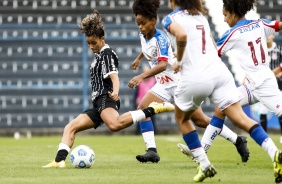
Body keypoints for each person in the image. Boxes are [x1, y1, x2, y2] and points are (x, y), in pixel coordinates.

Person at [162, 0, 282, 182]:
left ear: (233, 14)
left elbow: (212, 52)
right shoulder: (261, 23)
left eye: (225, 15)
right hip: (253, 84)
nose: (224, 20)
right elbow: (278, 25)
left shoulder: (232, 33)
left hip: (265, 86)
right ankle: (202, 148)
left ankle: (203, 157)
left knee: (185, 117)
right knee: (221, 109)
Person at [42, 9, 175, 168]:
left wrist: (116, 91)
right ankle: (58, 161)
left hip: (107, 98)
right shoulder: (99, 54)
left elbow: (114, 76)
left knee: (114, 125)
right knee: (70, 127)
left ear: (102, 38)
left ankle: (153, 110)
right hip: (98, 103)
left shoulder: (107, 53)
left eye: (94, 43)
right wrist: (139, 58)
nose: (91, 46)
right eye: (88, 43)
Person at [129, 0, 249, 165]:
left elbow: (163, 64)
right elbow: (146, 48)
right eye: (138, 24)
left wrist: (142, 76)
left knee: (199, 120)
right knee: (143, 108)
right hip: (163, 84)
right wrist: (138, 58)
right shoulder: (143, 35)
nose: (140, 27)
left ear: (153, 21)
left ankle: (237, 139)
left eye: (143, 23)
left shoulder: (161, 39)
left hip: (177, 81)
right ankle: (152, 150)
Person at [258, 34, 282, 143]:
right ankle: (264, 138)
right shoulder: (260, 51)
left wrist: (276, 73)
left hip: (279, 85)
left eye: (269, 34)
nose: (267, 36)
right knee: (263, 110)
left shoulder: (279, 49)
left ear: (274, 35)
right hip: (264, 86)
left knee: (280, 109)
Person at [133, 65, 157, 135]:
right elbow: (136, 93)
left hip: (151, 103)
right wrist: (135, 102)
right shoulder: (140, 81)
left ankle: (154, 133)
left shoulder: (153, 81)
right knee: (140, 119)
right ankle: (137, 133)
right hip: (141, 103)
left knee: (152, 119)